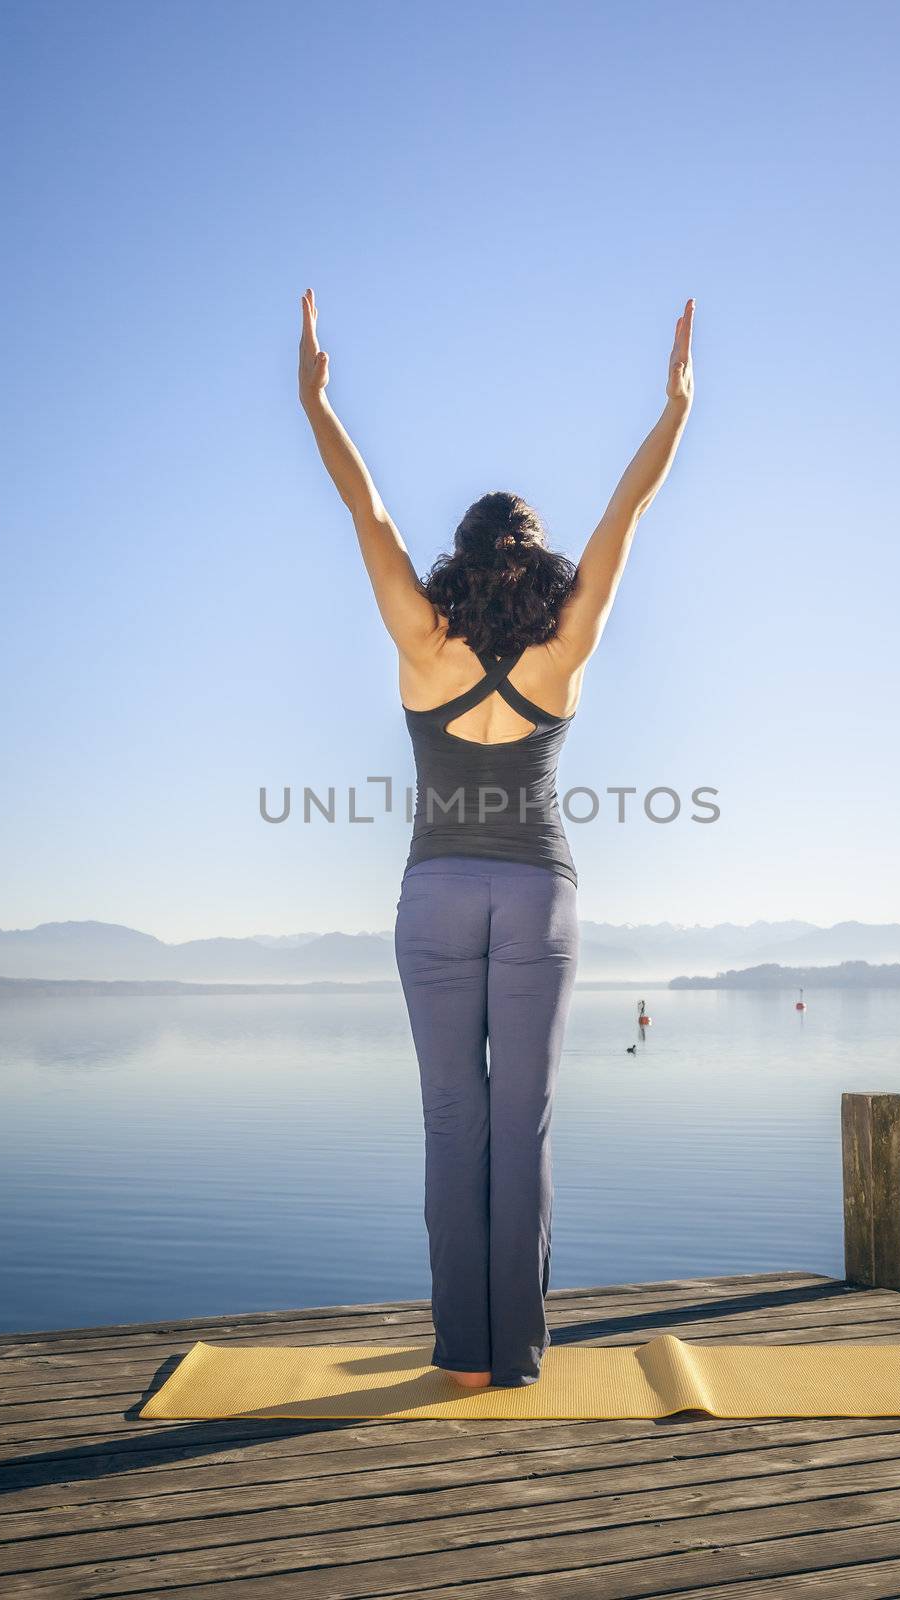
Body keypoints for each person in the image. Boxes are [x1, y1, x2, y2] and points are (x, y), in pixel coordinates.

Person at [299, 286, 694, 1387]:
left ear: (459, 559)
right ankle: (515, 1354)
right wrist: (674, 411)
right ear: (533, 558)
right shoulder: (561, 651)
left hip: (433, 895)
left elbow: (365, 513)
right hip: (535, 893)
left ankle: (461, 1356)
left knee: (449, 1119)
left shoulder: (419, 636)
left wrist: (314, 404)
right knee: (521, 1124)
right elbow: (625, 515)